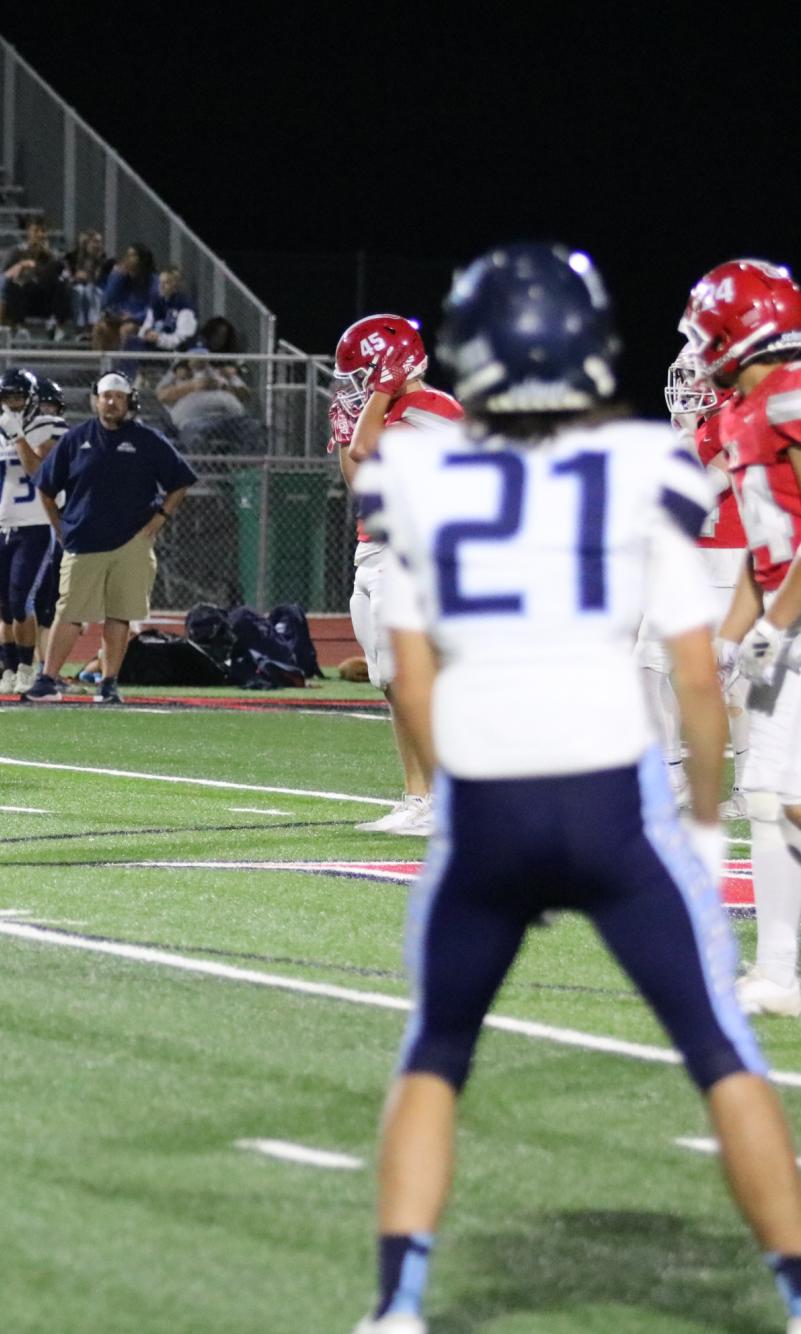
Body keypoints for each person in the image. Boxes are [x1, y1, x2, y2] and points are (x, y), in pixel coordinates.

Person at [347, 242, 801, 1334]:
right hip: (608, 803)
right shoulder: (648, 464)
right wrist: (694, 823)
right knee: (719, 1054)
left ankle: (398, 1304)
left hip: (491, 807)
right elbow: (695, 679)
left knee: (435, 1055)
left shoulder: (415, 476)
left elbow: (413, 678)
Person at [691, 259, 801, 1019]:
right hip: (784, 619)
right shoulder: (736, 412)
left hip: (795, 622)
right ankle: (779, 974)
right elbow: (763, 555)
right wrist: (730, 638)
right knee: (771, 796)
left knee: (780, 795)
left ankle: (778, 974)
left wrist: (773, 627)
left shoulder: (791, 396)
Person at [331, 314, 465, 836]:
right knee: (390, 681)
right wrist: (348, 429)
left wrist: (374, 404)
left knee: (412, 679)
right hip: (374, 549)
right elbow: (360, 480)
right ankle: (417, 797)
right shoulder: (386, 412)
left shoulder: (433, 408)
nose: (357, 385)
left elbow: (368, 451)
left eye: (366, 372)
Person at [25, 373, 195, 705]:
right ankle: (48, 679)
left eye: (118, 396)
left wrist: (160, 518)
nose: (112, 402)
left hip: (131, 542)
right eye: (106, 396)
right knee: (69, 613)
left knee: (120, 615)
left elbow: (180, 481)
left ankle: (109, 683)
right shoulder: (77, 439)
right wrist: (60, 528)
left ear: (129, 400)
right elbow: (45, 487)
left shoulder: (148, 440)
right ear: (95, 400)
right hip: (83, 540)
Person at [648, 346, 748, 818]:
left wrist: (686, 437)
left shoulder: (743, 420)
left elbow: (702, 489)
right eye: (682, 374)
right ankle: (672, 772)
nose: (685, 386)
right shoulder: (695, 427)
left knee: (732, 683)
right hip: (686, 560)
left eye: (694, 375)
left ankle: (750, 787)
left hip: (731, 561)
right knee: (646, 665)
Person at [0, 369, 66, 694]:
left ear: (31, 400)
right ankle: (13, 669)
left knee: (22, 602)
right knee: (6, 607)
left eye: (18, 398)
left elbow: (40, 473)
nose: (12, 405)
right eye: (7, 399)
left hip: (34, 526)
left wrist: (18, 437)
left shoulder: (48, 427)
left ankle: (28, 669)